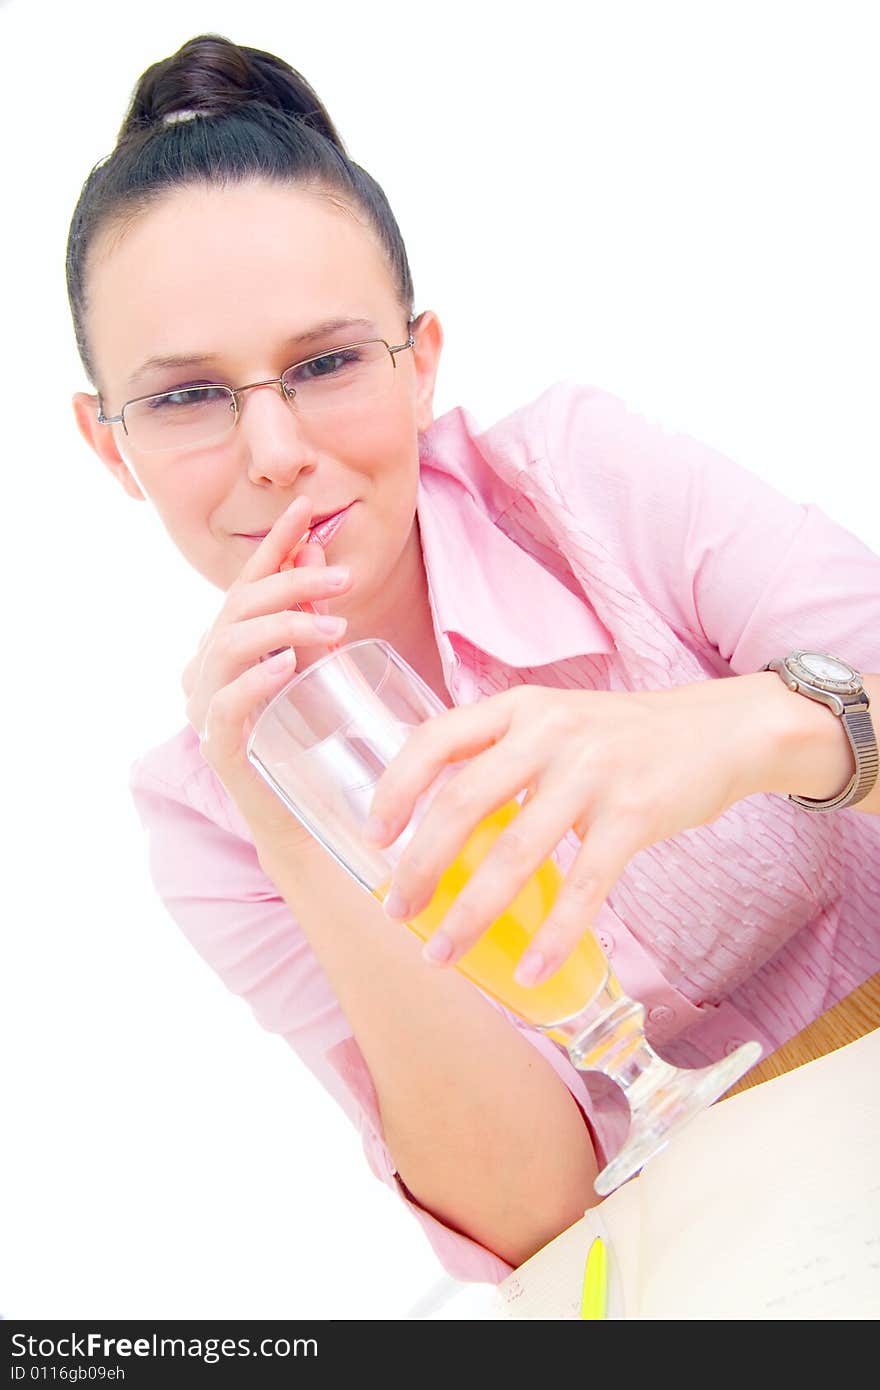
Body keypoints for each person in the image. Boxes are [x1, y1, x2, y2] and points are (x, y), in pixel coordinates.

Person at [68, 33, 880, 1284]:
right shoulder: (201, 815)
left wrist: (752, 728)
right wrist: (285, 815)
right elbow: (533, 1211)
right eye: (185, 396)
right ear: (110, 443)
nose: (274, 448)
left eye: (327, 362)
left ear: (421, 359)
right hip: (747, 1260)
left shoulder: (581, 480)